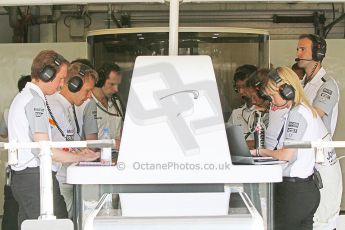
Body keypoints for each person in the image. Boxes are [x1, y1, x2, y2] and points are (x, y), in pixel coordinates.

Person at [7, 50, 100, 228]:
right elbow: (44, 149)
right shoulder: (35, 102)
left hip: (25, 178)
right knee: (59, 224)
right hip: (36, 178)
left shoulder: (24, 98)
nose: (62, 84)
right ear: (47, 74)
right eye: (61, 78)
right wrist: (81, 157)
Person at [252, 67, 320, 230]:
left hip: (293, 192)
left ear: (286, 91)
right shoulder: (304, 110)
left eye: (273, 95)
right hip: (307, 190)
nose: (271, 100)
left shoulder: (297, 113)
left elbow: (286, 155)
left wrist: (259, 152)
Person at [296, 34, 342, 229]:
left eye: (302, 49)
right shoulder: (303, 84)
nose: (298, 53)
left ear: (318, 53)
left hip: (320, 156)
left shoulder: (326, 85)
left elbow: (315, 115)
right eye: (298, 49)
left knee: (322, 213)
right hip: (305, 154)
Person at [46, 62, 98, 218]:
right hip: (58, 180)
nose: (89, 96)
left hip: (66, 177)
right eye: (87, 91)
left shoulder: (66, 108)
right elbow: (57, 148)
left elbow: (68, 142)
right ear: (73, 85)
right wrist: (82, 155)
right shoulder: (55, 107)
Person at [0, 75, 30, 230]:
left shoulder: (8, 111)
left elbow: (2, 133)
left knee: (12, 204)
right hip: (32, 165)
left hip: (14, 163)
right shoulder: (38, 107)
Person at [81, 62, 124, 150]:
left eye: (118, 85)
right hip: (94, 157)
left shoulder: (116, 103)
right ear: (100, 81)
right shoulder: (85, 102)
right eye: (112, 84)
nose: (116, 89)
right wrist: (111, 144)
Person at [227, 64, 258, 148]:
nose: (241, 92)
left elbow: (268, 142)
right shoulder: (236, 113)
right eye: (238, 88)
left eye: (244, 87)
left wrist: (240, 144)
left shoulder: (267, 112)